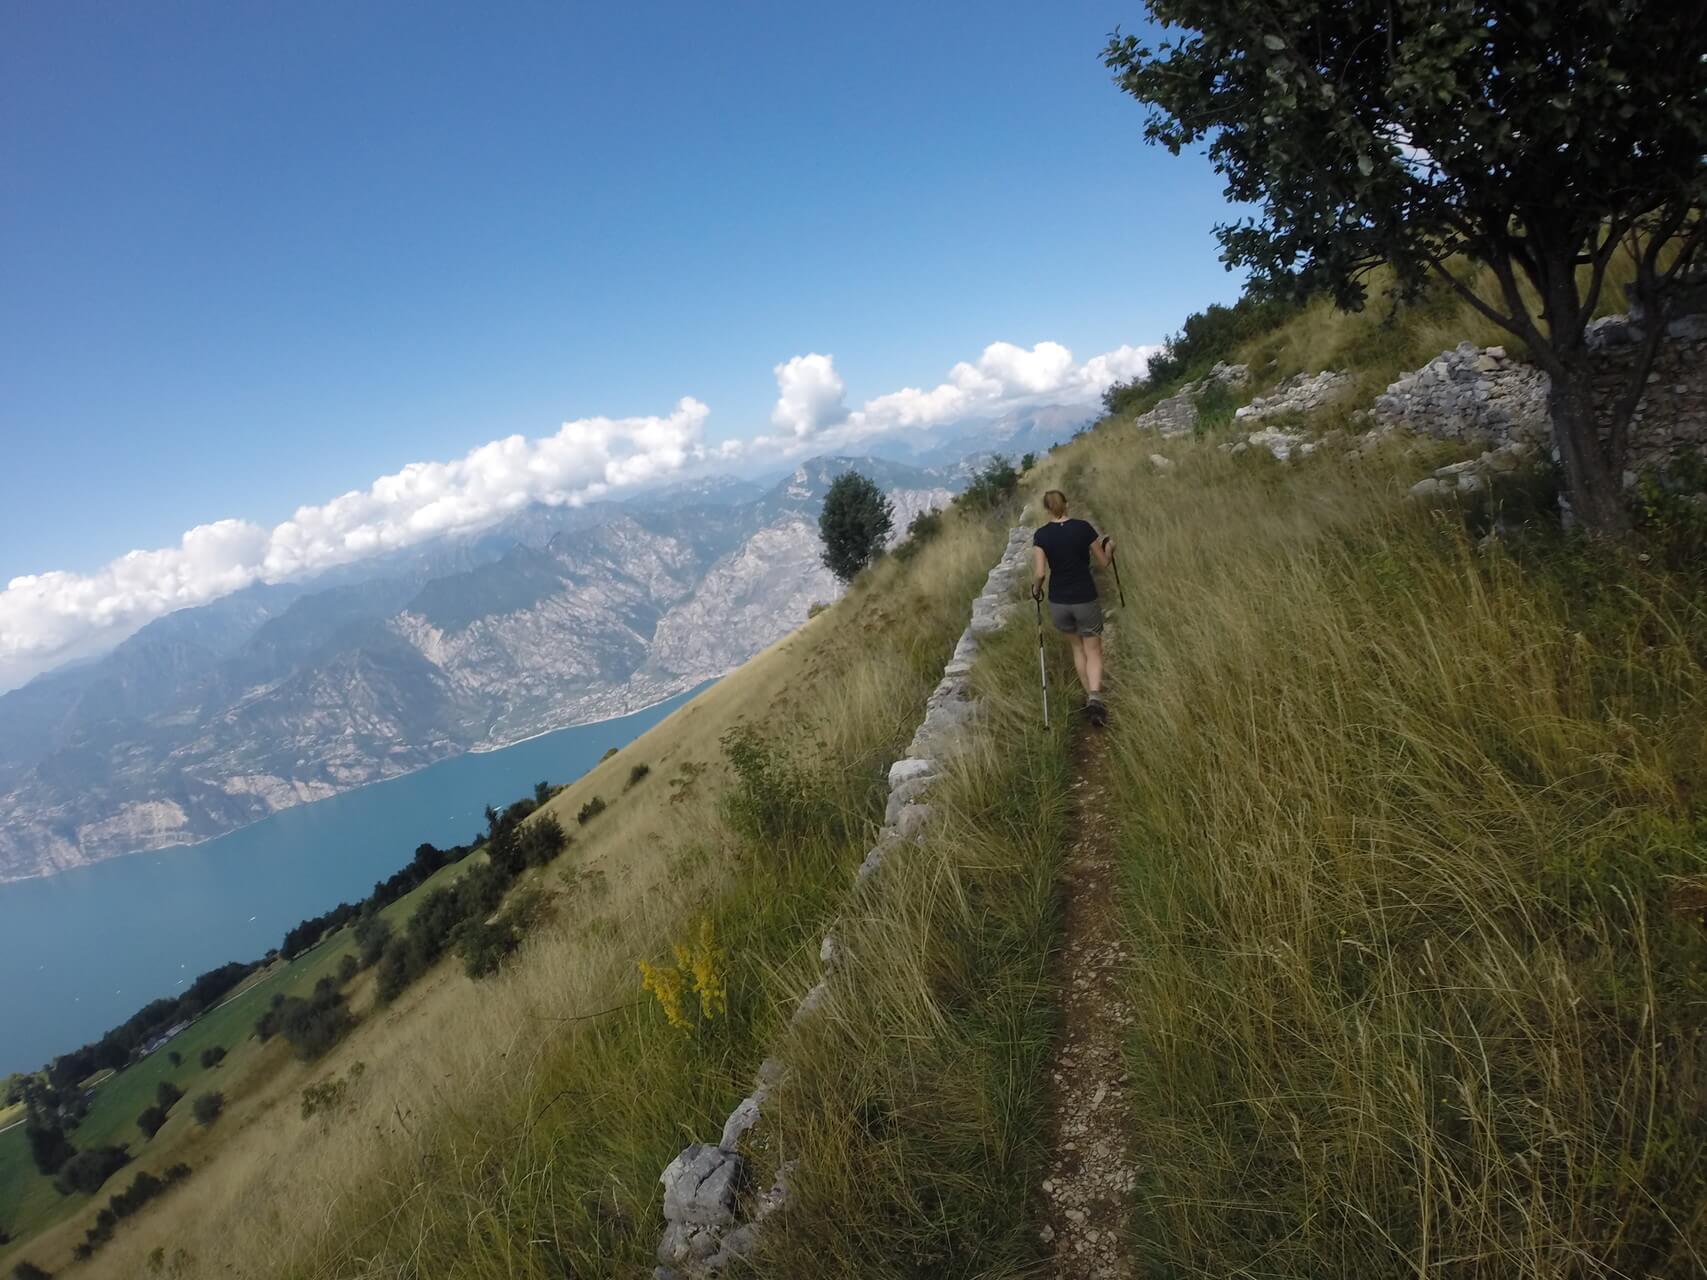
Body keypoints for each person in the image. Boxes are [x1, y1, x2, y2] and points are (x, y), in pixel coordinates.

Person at [1031, 489, 1114, 725]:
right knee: (1093, 650)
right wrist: (1110, 547)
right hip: (1084, 597)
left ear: (1046, 509)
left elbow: (1039, 574)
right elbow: (1104, 563)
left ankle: (1090, 697)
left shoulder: (1041, 536)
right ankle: (1095, 698)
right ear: (1066, 504)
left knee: (1077, 649)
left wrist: (1036, 591)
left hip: (1059, 601)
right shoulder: (1083, 528)